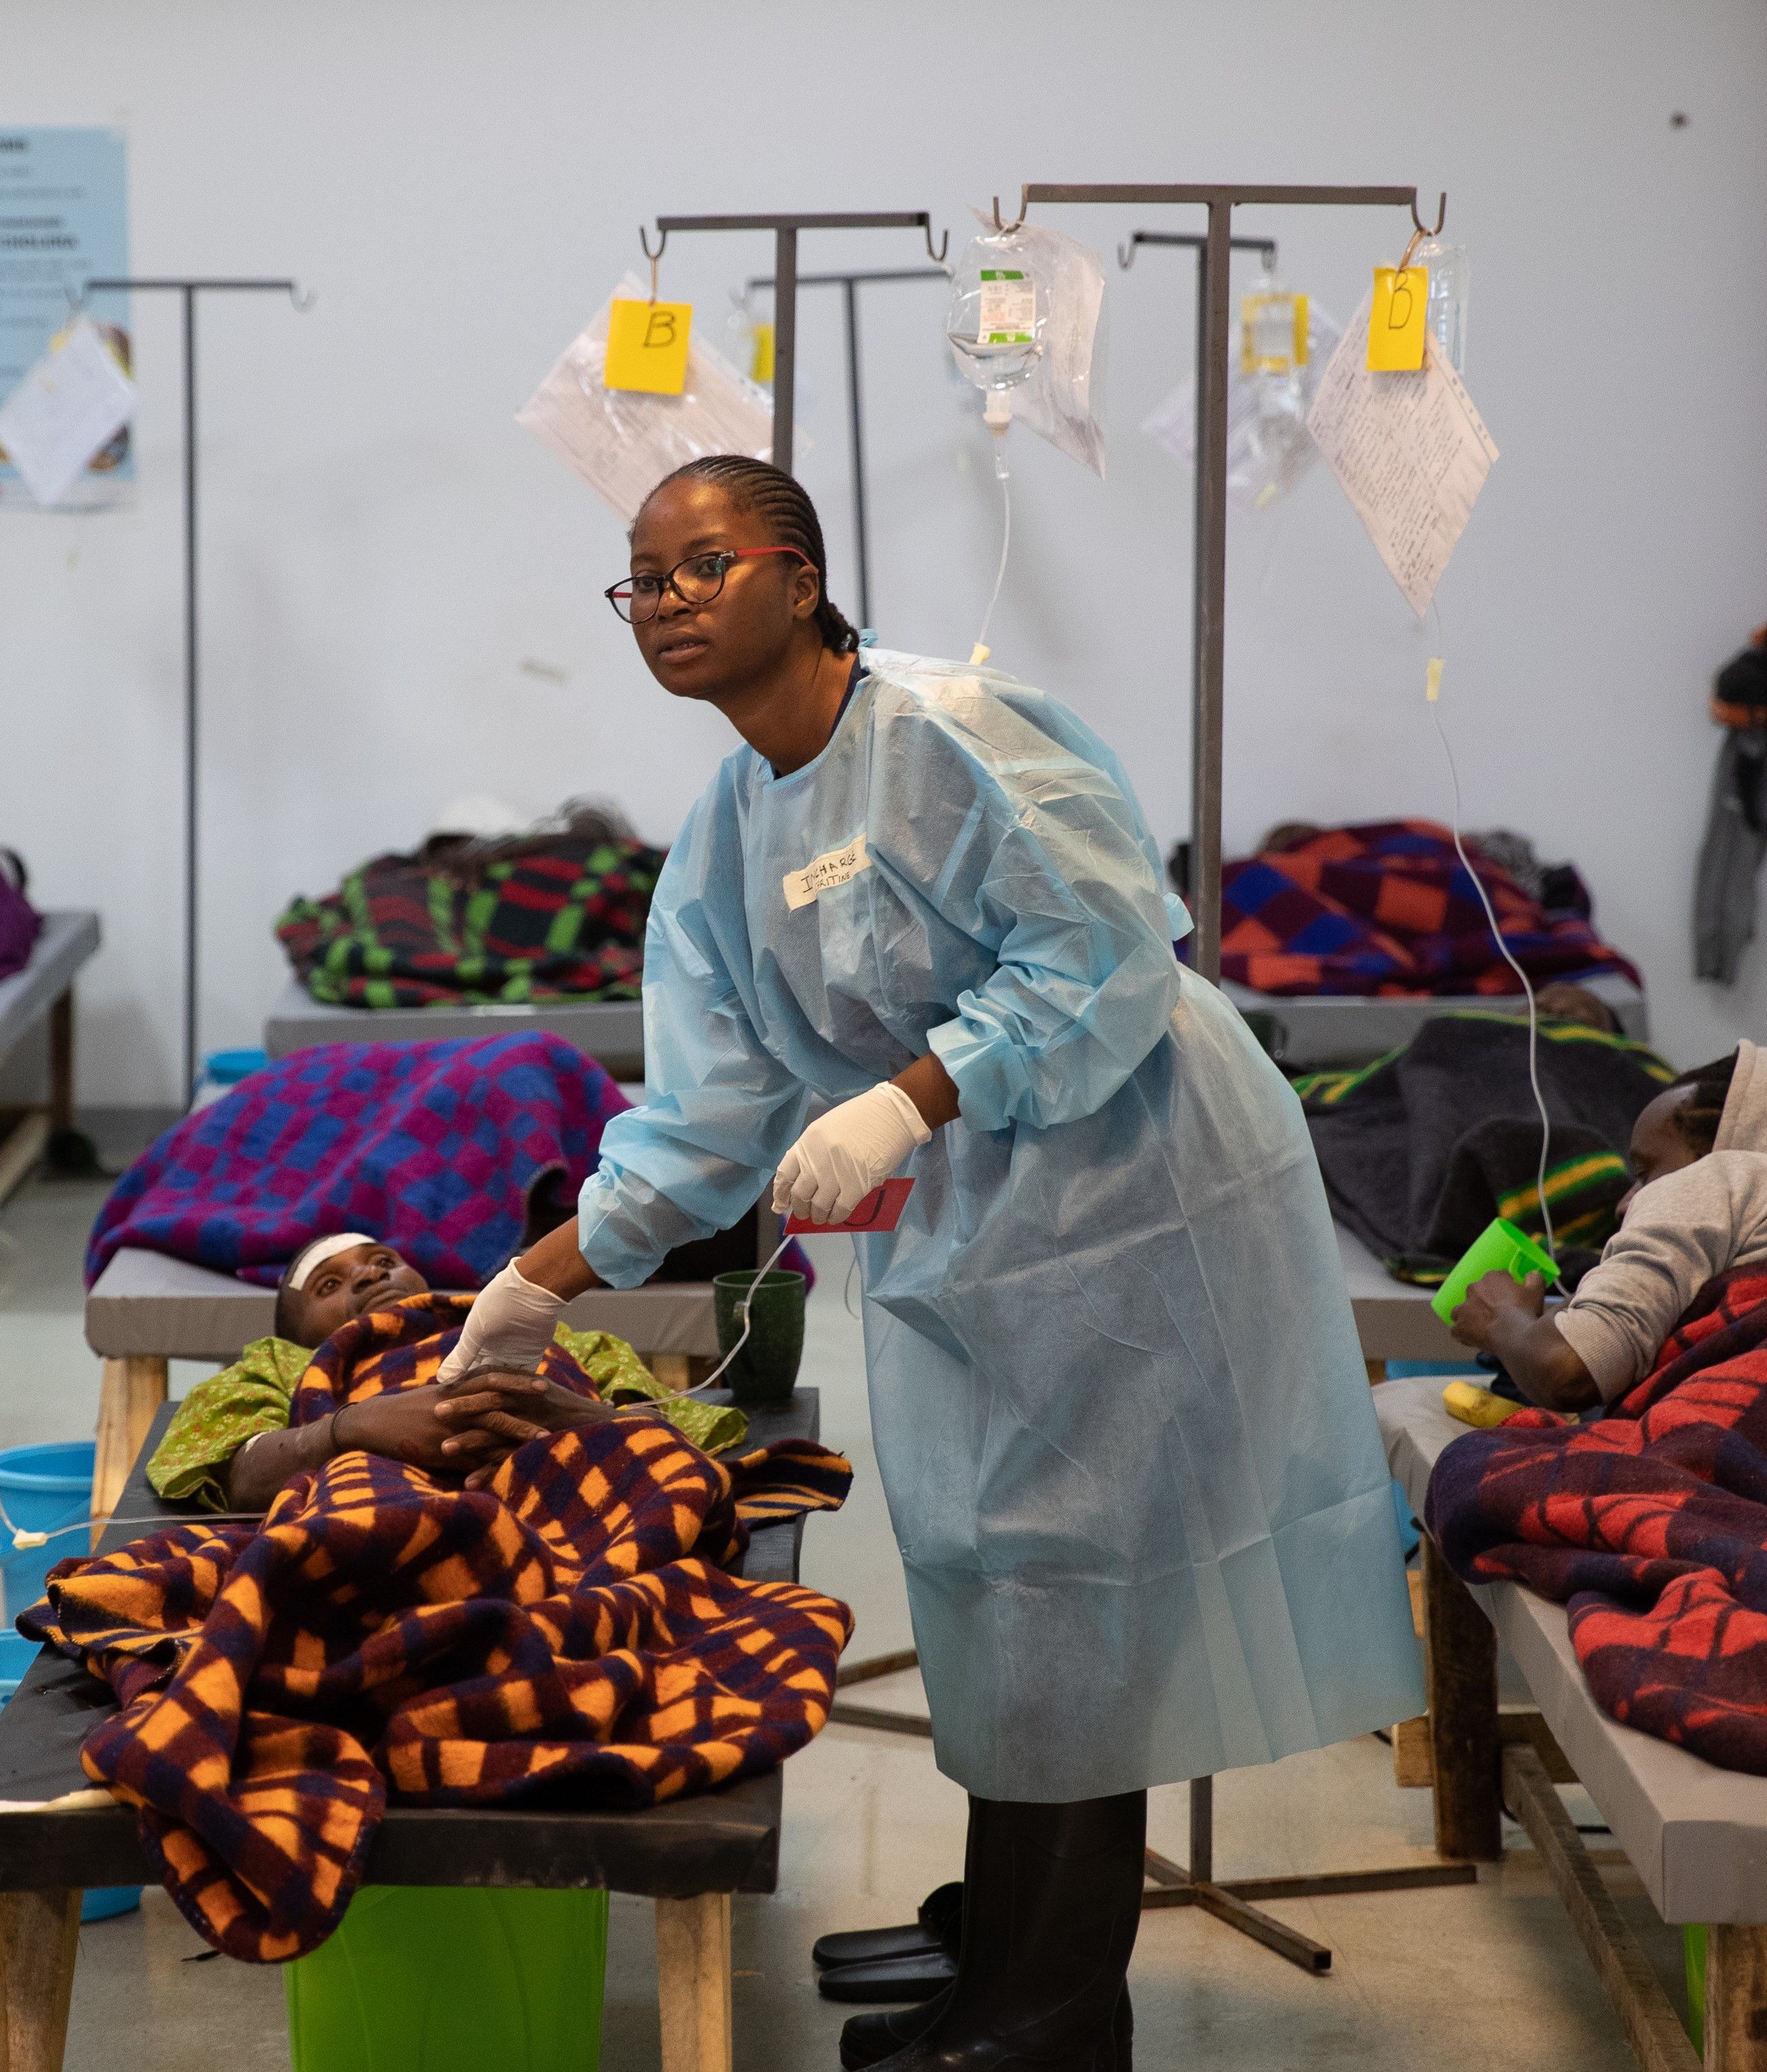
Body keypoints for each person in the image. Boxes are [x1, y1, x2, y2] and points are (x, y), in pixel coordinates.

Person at [438, 454, 1425, 2070]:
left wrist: (909, 1096)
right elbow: (706, 1112)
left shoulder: (946, 730)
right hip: (980, 1211)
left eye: (700, 565)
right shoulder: (726, 834)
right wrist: (539, 1276)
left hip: (1133, 1175)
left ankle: (1053, 2008)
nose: (665, 602)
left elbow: (1105, 950)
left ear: (800, 577)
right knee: (998, 1569)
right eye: (640, 581)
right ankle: (1002, 1936)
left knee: (1076, 1587)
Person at [1451, 1044, 1767, 1410]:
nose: (1625, 1204)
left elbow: (1569, 1371)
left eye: (1646, 1172)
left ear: (1726, 1151)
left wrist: (1503, 1320)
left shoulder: (1718, 1178)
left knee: (1477, 1469)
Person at [143, 1231, 742, 1512]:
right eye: (329, 1285)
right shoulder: (281, 1365)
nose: (369, 1275)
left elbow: (679, 1436)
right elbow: (235, 1472)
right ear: (299, 1338)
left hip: (576, 1492)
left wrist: (573, 1417)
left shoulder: (561, 1337)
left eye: (383, 1260)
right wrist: (350, 1430)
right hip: (380, 1509)